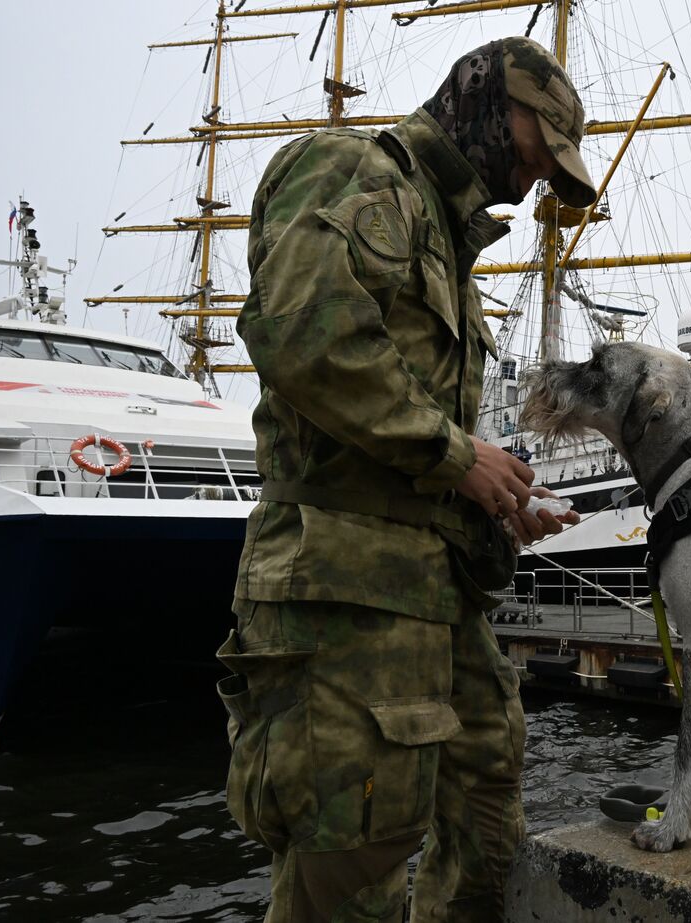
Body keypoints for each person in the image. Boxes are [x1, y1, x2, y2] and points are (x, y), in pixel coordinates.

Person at [216, 37, 595, 922]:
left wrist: (499, 499)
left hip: (431, 590)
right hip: (346, 590)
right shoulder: (356, 172)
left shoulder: (439, 234)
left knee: (486, 788)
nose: (531, 184)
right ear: (488, 105)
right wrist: (462, 458)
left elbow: (406, 422)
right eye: (537, 157)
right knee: (352, 857)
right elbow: (307, 336)